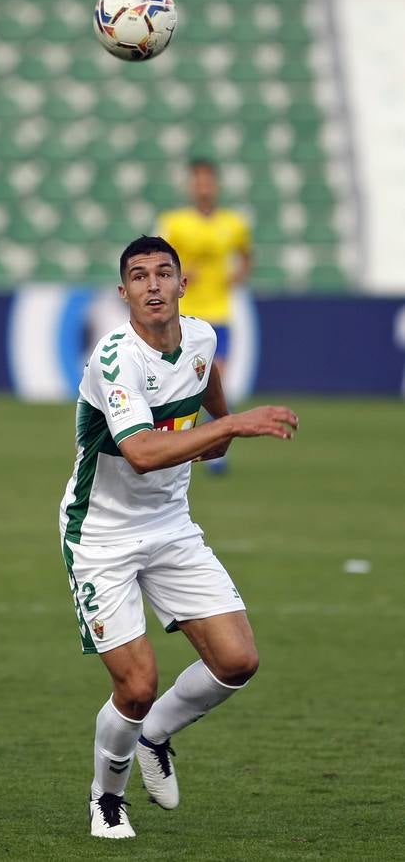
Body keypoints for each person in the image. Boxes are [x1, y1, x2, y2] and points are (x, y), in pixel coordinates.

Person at [58, 235, 297, 840]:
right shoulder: (113, 360)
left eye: (164, 273)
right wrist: (236, 426)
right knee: (135, 686)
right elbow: (139, 453)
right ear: (124, 294)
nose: (153, 285)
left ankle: (156, 734)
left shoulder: (201, 336)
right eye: (139, 276)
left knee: (238, 660)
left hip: (169, 525)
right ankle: (107, 800)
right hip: (101, 534)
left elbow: (206, 375)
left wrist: (222, 422)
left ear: (182, 284)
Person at [157, 160, 252, 472]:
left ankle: (215, 451)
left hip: (219, 316)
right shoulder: (175, 223)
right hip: (183, 317)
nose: (203, 187)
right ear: (191, 186)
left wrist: (236, 277)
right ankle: (173, 446)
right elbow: (159, 260)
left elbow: (246, 256)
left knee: (215, 381)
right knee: (179, 386)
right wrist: (181, 271)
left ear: (216, 185)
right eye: (198, 182)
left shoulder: (233, 223)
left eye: (208, 181)